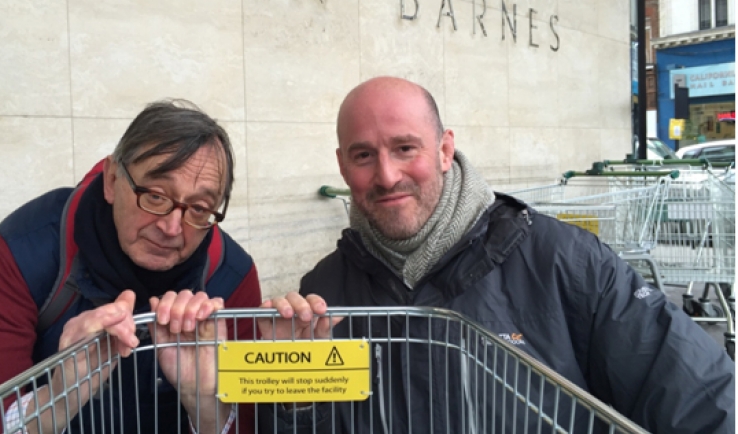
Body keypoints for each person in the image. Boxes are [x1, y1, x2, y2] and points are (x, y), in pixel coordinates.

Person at [259, 77, 735, 433]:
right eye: (364, 156)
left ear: (446, 150)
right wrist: (294, 398)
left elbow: (702, 401)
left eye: (406, 148)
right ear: (343, 165)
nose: (386, 176)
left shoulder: (565, 263)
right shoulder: (322, 294)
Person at [0, 99, 261, 434]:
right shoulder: (24, 252)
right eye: (156, 196)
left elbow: (252, 425)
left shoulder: (231, 277)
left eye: (200, 208)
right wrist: (58, 400)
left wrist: (205, 404)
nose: (172, 227)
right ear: (112, 179)